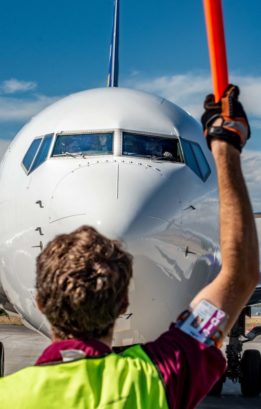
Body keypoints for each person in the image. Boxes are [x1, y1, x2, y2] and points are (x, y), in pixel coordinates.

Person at [0, 85, 259, 409]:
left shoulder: (8, 396)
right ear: (123, 300)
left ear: (40, 300)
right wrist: (226, 150)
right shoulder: (158, 379)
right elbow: (240, 277)